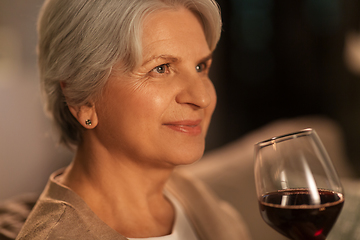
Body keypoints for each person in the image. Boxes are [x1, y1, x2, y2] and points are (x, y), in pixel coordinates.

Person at [15, 0, 251, 239]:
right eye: (161, 68)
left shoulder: (202, 203)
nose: (202, 97)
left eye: (201, 67)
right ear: (82, 100)